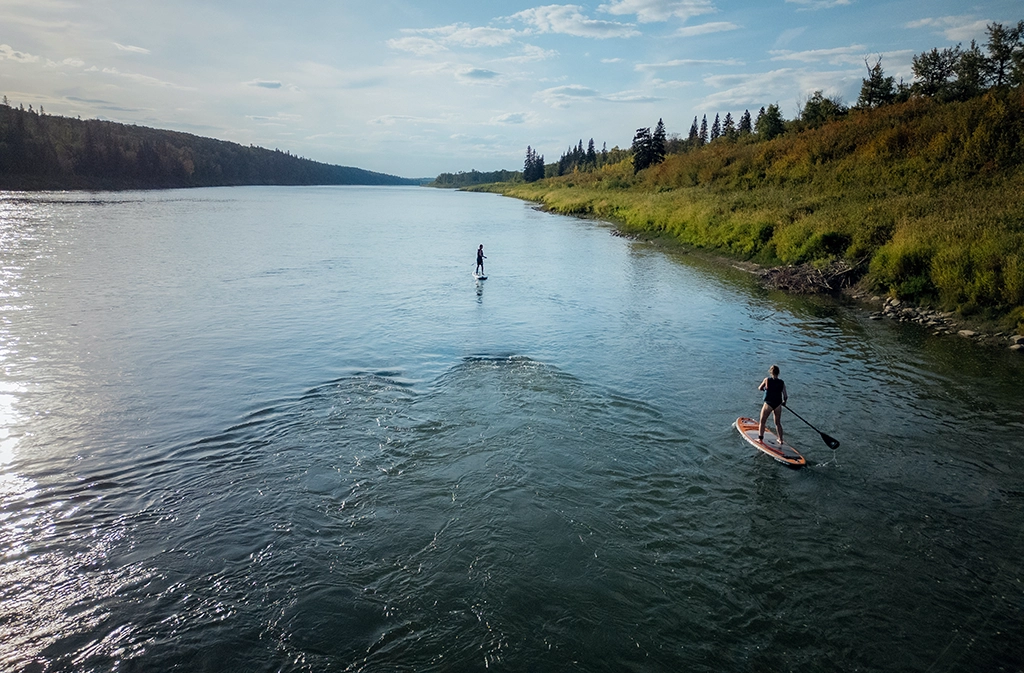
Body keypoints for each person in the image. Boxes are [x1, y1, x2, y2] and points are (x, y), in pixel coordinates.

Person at [758, 364, 787, 444]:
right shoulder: (781, 382)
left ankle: (760, 439)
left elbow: (760, 388)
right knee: (778, 423)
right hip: (778, 405)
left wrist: (766, 391)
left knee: (762, 421)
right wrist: (784, 402)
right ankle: (780, 440)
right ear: (778, 373)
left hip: (768, 404)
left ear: (770, 372)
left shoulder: (767, 380)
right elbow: (785, 395)